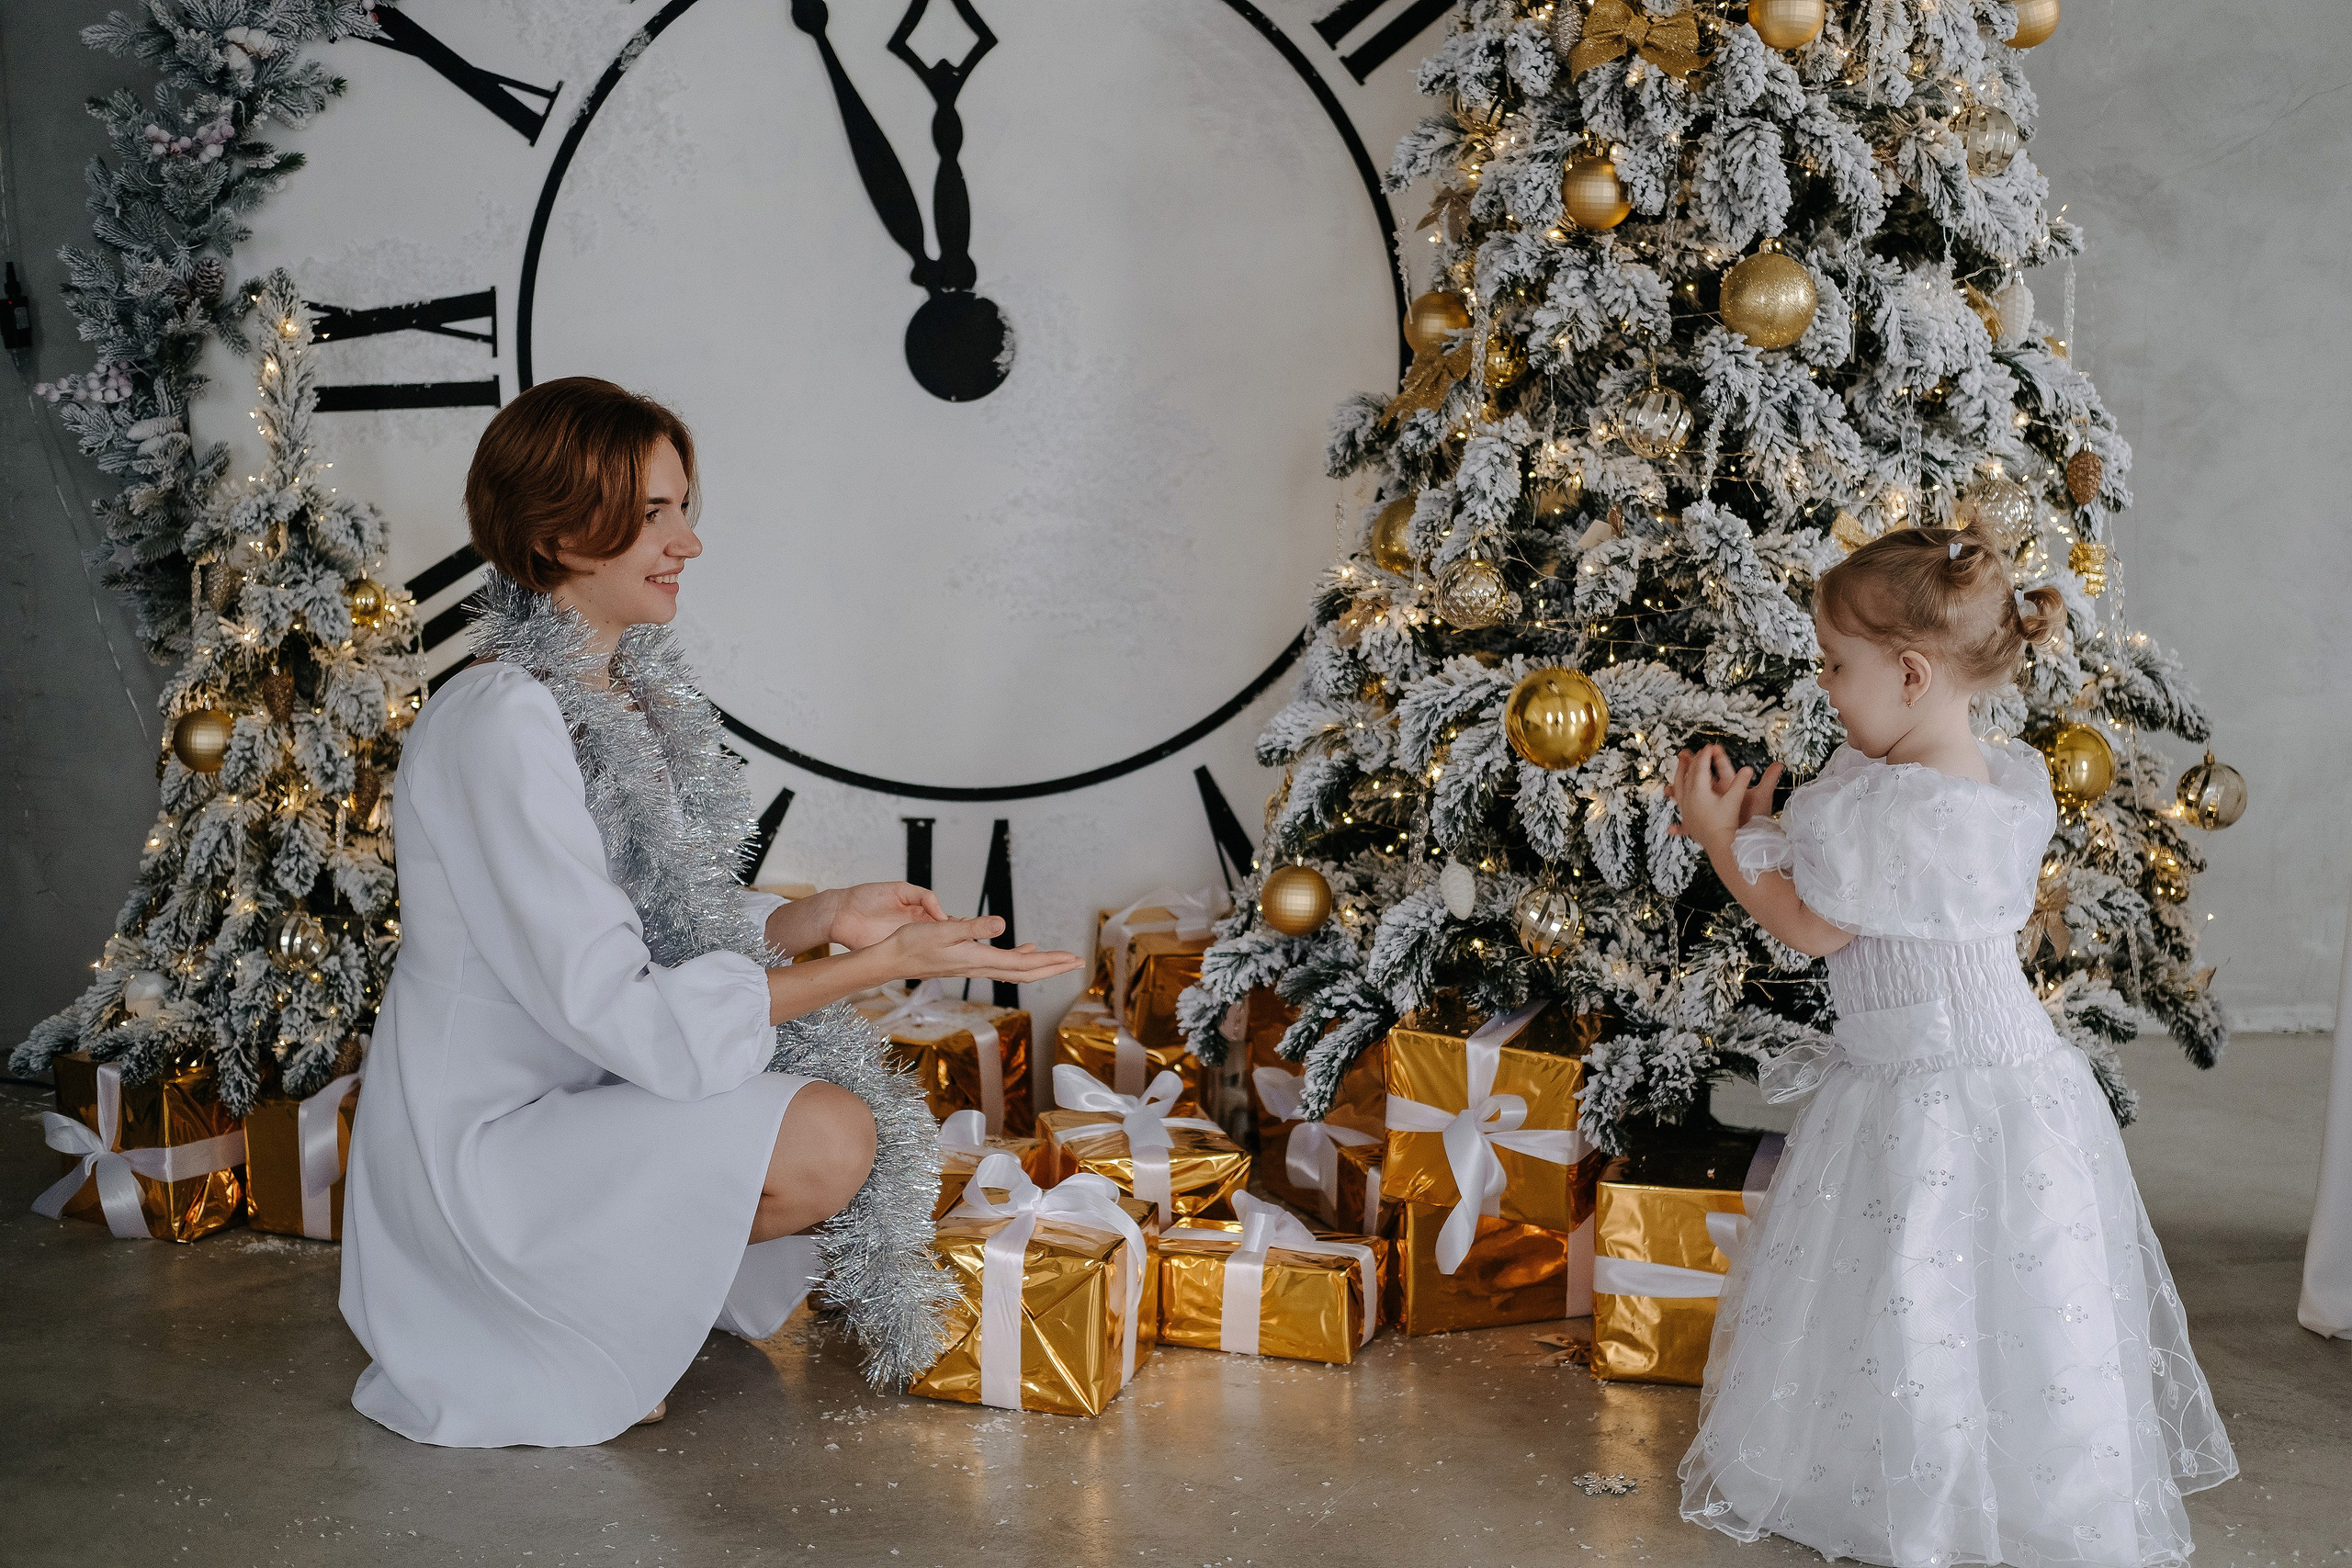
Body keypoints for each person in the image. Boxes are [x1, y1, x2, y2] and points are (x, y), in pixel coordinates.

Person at [340, 378, 1079, 1447]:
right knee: (827, 1133)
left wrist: (823, 916)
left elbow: (656, 927)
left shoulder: (612, 695)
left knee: (828, 1128)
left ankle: (613, 1307)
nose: (687, 540)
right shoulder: (505, 720)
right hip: (488, 1146)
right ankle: (540, 1319)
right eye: (651, 514)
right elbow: (622, 1007)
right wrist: (881, 968)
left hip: (578, 1090)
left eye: (683, 506)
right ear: (557, 530)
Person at [1668, 525, 2235, 1565]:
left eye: (1838, 665)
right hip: (2003, 1078)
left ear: (1911, 672)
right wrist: (1772, 830)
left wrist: (1721, 841)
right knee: (1986, 1285)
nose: (1828, 686)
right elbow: (1866, 872)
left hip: (1922, 1087)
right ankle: (2008, 1474)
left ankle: (1927, 1488)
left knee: (1912, 1275)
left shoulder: (1880, 805)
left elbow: (1810, 926)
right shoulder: (1989, 778)